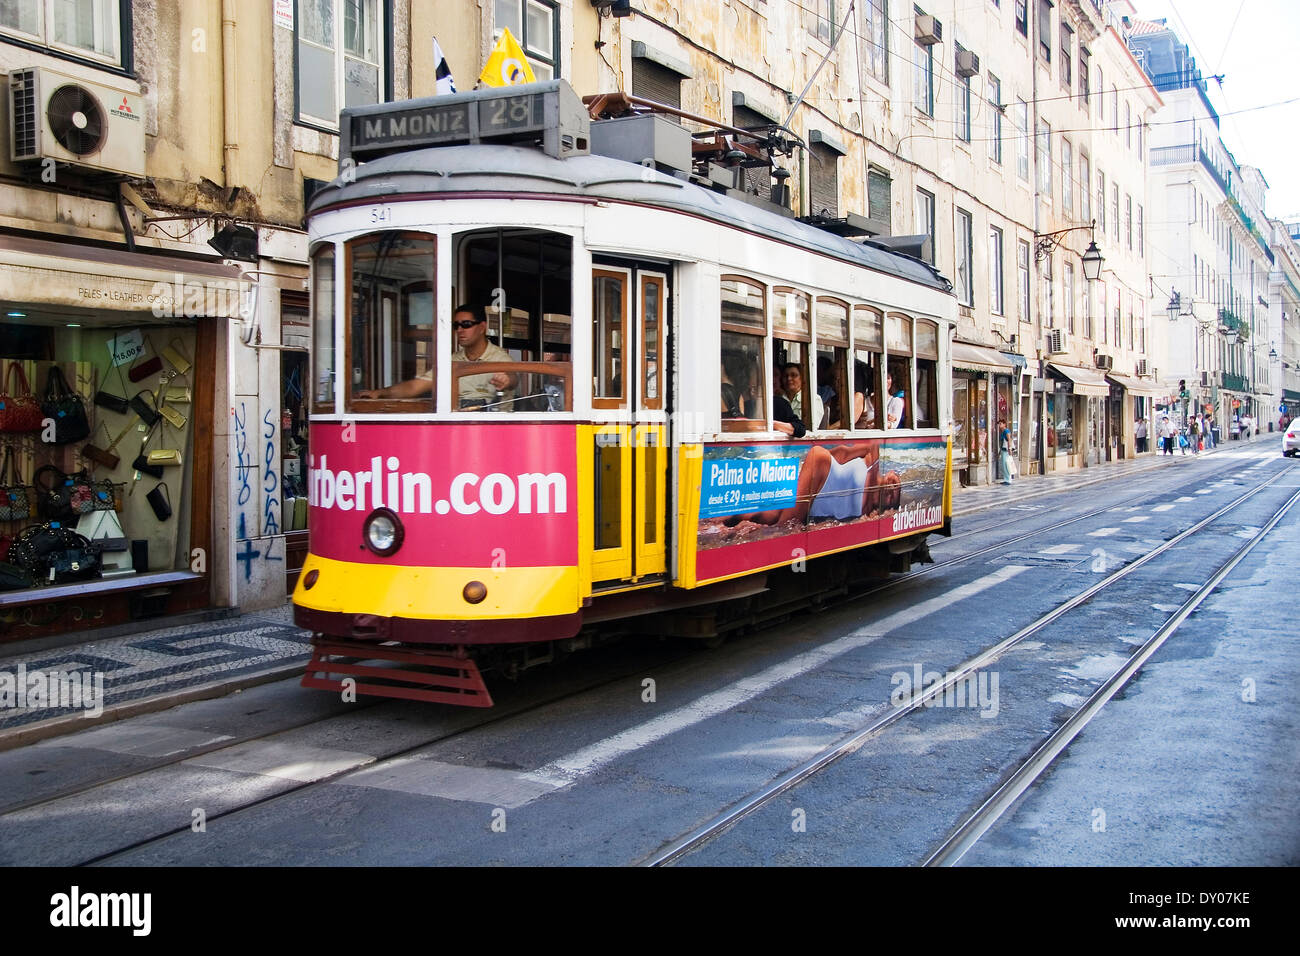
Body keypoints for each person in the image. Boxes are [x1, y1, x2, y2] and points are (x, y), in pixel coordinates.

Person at [356, 304, 515, 407]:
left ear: (482, 327)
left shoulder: (500, 358)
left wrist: (506, 380)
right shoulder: (452, 361)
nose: (459, 330)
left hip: (494, 429)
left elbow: (513, 378)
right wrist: (379, 393)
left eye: (466, 325)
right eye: (456, 326)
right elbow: (415, 387)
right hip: (458, 427)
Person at [724, 443, 901, 527]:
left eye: (895, 494)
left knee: (762, 515)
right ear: (891, 472)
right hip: (822, 468)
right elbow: (842, 453)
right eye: (896, 482)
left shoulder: (870, 514)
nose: (893, 488)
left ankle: (715, 524)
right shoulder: (873, 458)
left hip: (817, 505)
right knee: (785, 526)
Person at [783, 363, 823, 431]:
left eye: (793, 375)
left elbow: (812, 427)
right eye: (785, 376)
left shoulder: (813, 399)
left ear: (802, 378)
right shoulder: (779, 398)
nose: (789, 378)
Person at [998, 418, 1013, 485]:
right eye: (999, 424)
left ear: (1004, 424)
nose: (999, 425)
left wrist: (1010, 449)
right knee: (1004, 465)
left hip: (1006, 450)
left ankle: (1008, 480)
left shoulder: (1006, 431)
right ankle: (1006, 479)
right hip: (1003, 450)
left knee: (1006, 465)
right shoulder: (1002, 431)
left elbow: (1009, 439)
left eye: (1000, 424)